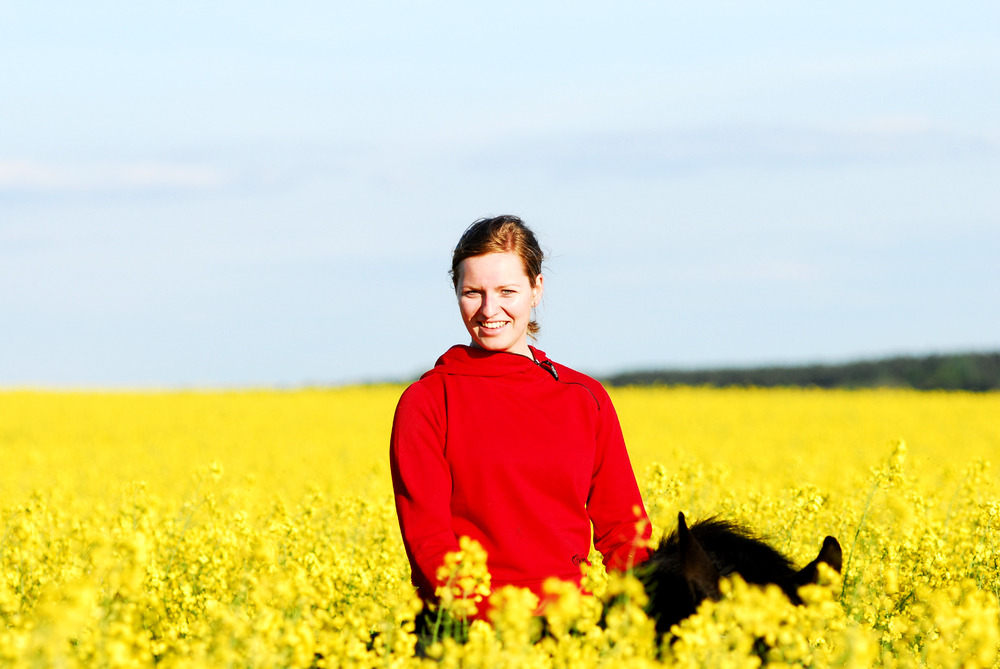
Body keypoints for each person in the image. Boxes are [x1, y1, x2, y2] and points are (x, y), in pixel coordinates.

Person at [389, 215, 652, 622]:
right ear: (456, 292)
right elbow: (429, 541)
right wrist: (493, 633)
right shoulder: (427, 401)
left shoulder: (584, 397)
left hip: (570, 631)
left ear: (536, 289)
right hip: (471, 636)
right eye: (473, 292)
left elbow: (623, 530)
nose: (489, 310)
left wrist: (646, 612)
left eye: (506, 291)